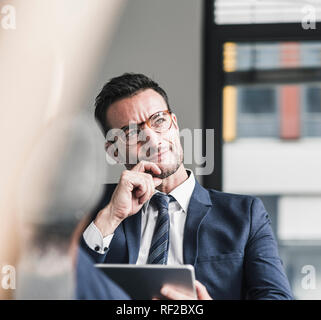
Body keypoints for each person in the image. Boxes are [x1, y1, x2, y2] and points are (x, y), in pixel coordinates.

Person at [77, 73, 293, 300]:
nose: (152, 138)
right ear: (114, 151)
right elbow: (62, 288)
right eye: (131, 132)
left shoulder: (245, 215)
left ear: (174, 124)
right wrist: (111, 216)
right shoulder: (92, 205)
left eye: (159, 120)